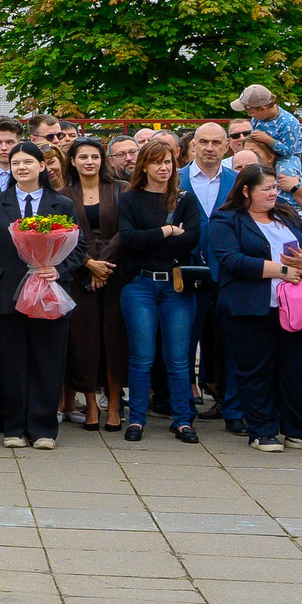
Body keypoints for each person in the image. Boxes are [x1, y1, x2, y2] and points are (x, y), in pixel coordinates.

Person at [207, 162, 302, 451]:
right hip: (250, 308)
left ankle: (297, 429)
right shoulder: (226, 219)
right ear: (246, 190)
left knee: (298, 371)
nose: (274, 193)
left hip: (295, 311)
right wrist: (281, 271)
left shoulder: (288, 214)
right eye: (267, 188)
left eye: (275, 187)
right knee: (256, 371)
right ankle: (262, 430)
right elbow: (231, 260)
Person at [0, 141, 81, 449]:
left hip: (48, 294)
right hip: (5, 293)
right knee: (10, 363)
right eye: (16, 163)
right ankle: (14, 427)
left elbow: (79, 248)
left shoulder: (61, 204)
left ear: (41, 166)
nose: (22, 167)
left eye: (28, 162)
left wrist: (58, 269)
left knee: (47, 361)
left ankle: (43, 428)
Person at [117, 134, 205, 444]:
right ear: (145, 165)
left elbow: (191, 239)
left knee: (179, 358)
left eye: (167, 162)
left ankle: (182, 419)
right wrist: (167, 230)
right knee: (141, 357)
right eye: (157, 162)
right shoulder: (129, 198)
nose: (163, 168)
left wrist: (153, 238)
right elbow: (129, 240)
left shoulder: (184, 198)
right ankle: (137, 419)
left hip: (176, 286)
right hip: (139, 285)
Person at [64, 137, 127, 431]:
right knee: (84, 340)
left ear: (103, 160)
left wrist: (104, 265)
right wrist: (89, 263)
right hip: (79, 274)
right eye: (83, 157)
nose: (89, 162)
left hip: (115, 273)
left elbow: (126, 230)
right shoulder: (64, 194)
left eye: (95, 157)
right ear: (73, 161)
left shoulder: (120, 190)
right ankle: (90, 404)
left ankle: (113, 404)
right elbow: (66, 236)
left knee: (114, 339)